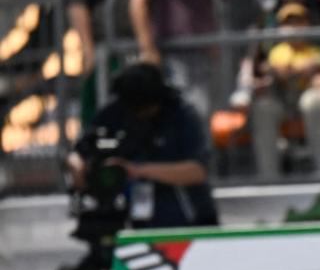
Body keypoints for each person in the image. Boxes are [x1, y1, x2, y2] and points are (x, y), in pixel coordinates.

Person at [67, 62, 218, 229]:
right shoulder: (118, 111)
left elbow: (197, 171)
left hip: (188, 221)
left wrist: (136, 170)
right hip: (134, 220)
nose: (138, 115)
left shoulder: (182, 116)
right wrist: (78, 167)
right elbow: (80, 149)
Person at [231, 4, 320, 179]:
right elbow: (274, 71)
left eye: (299, 22)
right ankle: (270, 179)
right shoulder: (276, 51)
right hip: (281, 99)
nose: (294, 27)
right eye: (289, 23)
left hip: (306, 99)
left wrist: (295, 71)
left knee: (315, 101)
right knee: (263, 108)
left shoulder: (315, 50)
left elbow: (314, 66)